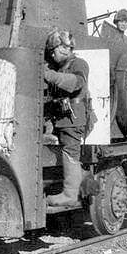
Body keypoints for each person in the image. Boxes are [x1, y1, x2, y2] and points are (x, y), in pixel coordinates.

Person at [43, 28, 89, 207]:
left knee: (70, 153)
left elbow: (76, 83)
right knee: (68, 154)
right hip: (61, 118)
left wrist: (49, 75)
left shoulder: (79, 64)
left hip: (73, 118)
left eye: (52, 51)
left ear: (62, 48)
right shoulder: (60, 67)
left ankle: (70, 195)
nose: (52, 55)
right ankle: (86, 185)